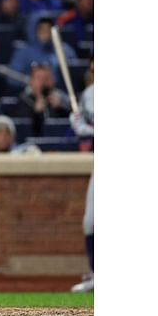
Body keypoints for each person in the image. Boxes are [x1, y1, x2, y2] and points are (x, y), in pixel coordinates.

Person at [69, 58, 94, 293]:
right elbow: (88, 128)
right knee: (91, 221)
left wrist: (85, 127)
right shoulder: (90, 93)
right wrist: (79, 124)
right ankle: (96, 275)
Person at [7, 62, 71, 137]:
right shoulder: (24, 100)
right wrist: (36, 113)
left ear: (53, 81)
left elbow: (73, 124)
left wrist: (61, 109)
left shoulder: (63, 99)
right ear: (31, 82)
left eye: (47, 78)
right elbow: (21, 128)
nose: (43, 82)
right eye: (39, 78)